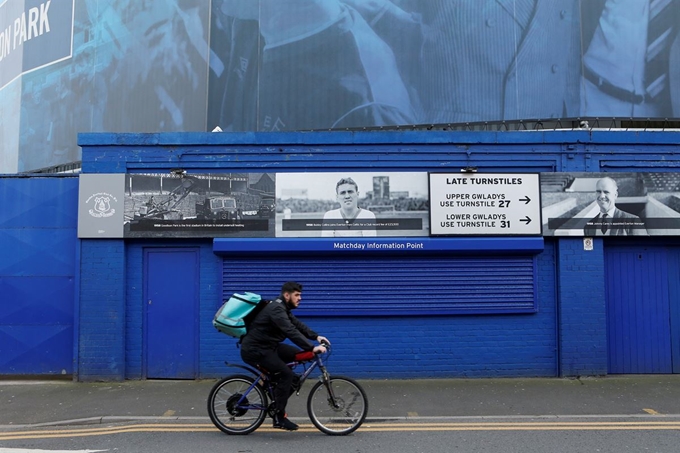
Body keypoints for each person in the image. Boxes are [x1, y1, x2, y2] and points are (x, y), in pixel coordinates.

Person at [240, 282, 329, 431]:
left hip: (269, 346)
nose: (300, 298)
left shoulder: (282, 308)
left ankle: (275, 392)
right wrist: (311, 347)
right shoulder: (276, 309)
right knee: (286, 374)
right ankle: (279, 417)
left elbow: (296, 325)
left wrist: (316, 336)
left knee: (298, 356)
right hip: (255, 350)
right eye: (297, 295)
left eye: (300, 295)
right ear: (287, 295)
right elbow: (290, 331)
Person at [583, 177, 648, 236]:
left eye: (606, 192)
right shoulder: (589, 226)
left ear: (615, 195)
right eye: (599, 192)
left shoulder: (632, 221)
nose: (602, 196)